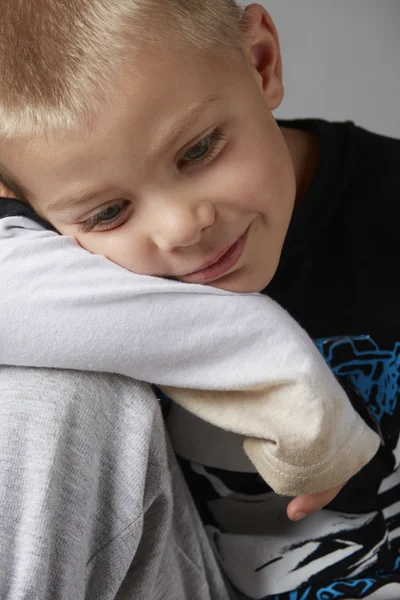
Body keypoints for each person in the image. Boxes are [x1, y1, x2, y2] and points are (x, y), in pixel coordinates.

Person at [0, 1, 399, 599]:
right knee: (50, 397)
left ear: (260, 63)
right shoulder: (53, 254)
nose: (182, 227)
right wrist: (267, 358)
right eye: (109, 212)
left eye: (199, 150)